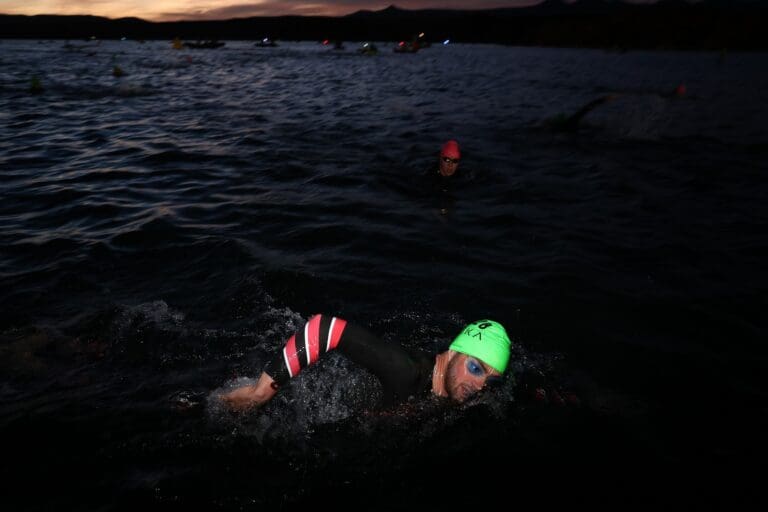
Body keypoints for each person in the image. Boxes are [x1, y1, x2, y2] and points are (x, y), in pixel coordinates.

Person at [220, 314, 511, 412]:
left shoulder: (456, 391)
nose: (478, 385)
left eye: (489, 380)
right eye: (475, 368)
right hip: (305, 403)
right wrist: (262, 392)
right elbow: (324, 328)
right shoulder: (405, 371)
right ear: (454, 351)